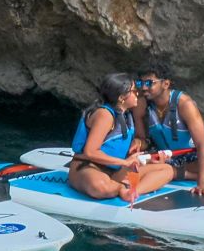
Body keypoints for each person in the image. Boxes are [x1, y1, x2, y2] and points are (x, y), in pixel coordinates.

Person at [68, 72, 173, 202]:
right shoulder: (104, 115)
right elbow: (90, 151)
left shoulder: (125, 114)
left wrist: (140, 158)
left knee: (167, 170)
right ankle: (120, 188)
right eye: (134, 91)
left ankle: (131, 191)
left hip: (115, 171)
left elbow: (117, 146)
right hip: (89, 168)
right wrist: (124, 163)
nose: (138, 94)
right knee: (100, 187)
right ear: (122, 97)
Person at [132, 63, 204, 197]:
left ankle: (175, 173)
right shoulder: (140, 103)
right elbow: (143, 139)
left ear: (166, 84)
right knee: (132, 166)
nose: (144, 88)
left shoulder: (185, 104)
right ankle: (187, 174)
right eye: (141, 83)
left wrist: (202, 183)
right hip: (163, 157)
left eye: (150, 83)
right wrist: (138, 144)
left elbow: (202, 144)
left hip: (190, 156)